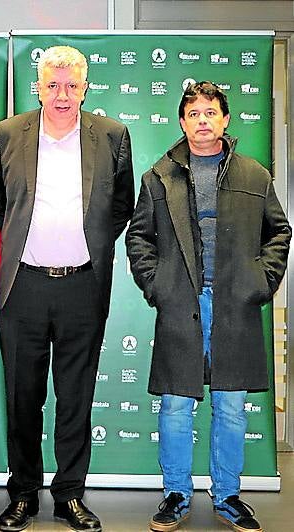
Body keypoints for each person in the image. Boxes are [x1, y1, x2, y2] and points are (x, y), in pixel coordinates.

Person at [126, 81, 291, 532]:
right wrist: (159, 285)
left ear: (225, 119)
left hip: (235, 303)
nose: (202, 120)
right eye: (193, 113)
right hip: (181, 302)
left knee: (231, 406)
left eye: (210, 112)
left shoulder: (254, 175)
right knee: (176, 406)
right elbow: (138, 236)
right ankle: (175, 494)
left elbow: (279, 232)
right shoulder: (159, 176)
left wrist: (259, 281)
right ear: (182, 121)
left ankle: (229, 496)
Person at [0, 45, 135, 532]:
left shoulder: (112, 135)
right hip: (22, 286)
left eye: (72, 85)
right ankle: (23, 494)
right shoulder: (6, 134)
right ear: (38, 86)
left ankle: (70, 494)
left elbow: (120, 207)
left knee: (76, 396)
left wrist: (85, 246)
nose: (62, 95)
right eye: (52, 84)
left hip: (82, 286)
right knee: (23, 398)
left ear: (85, 87)